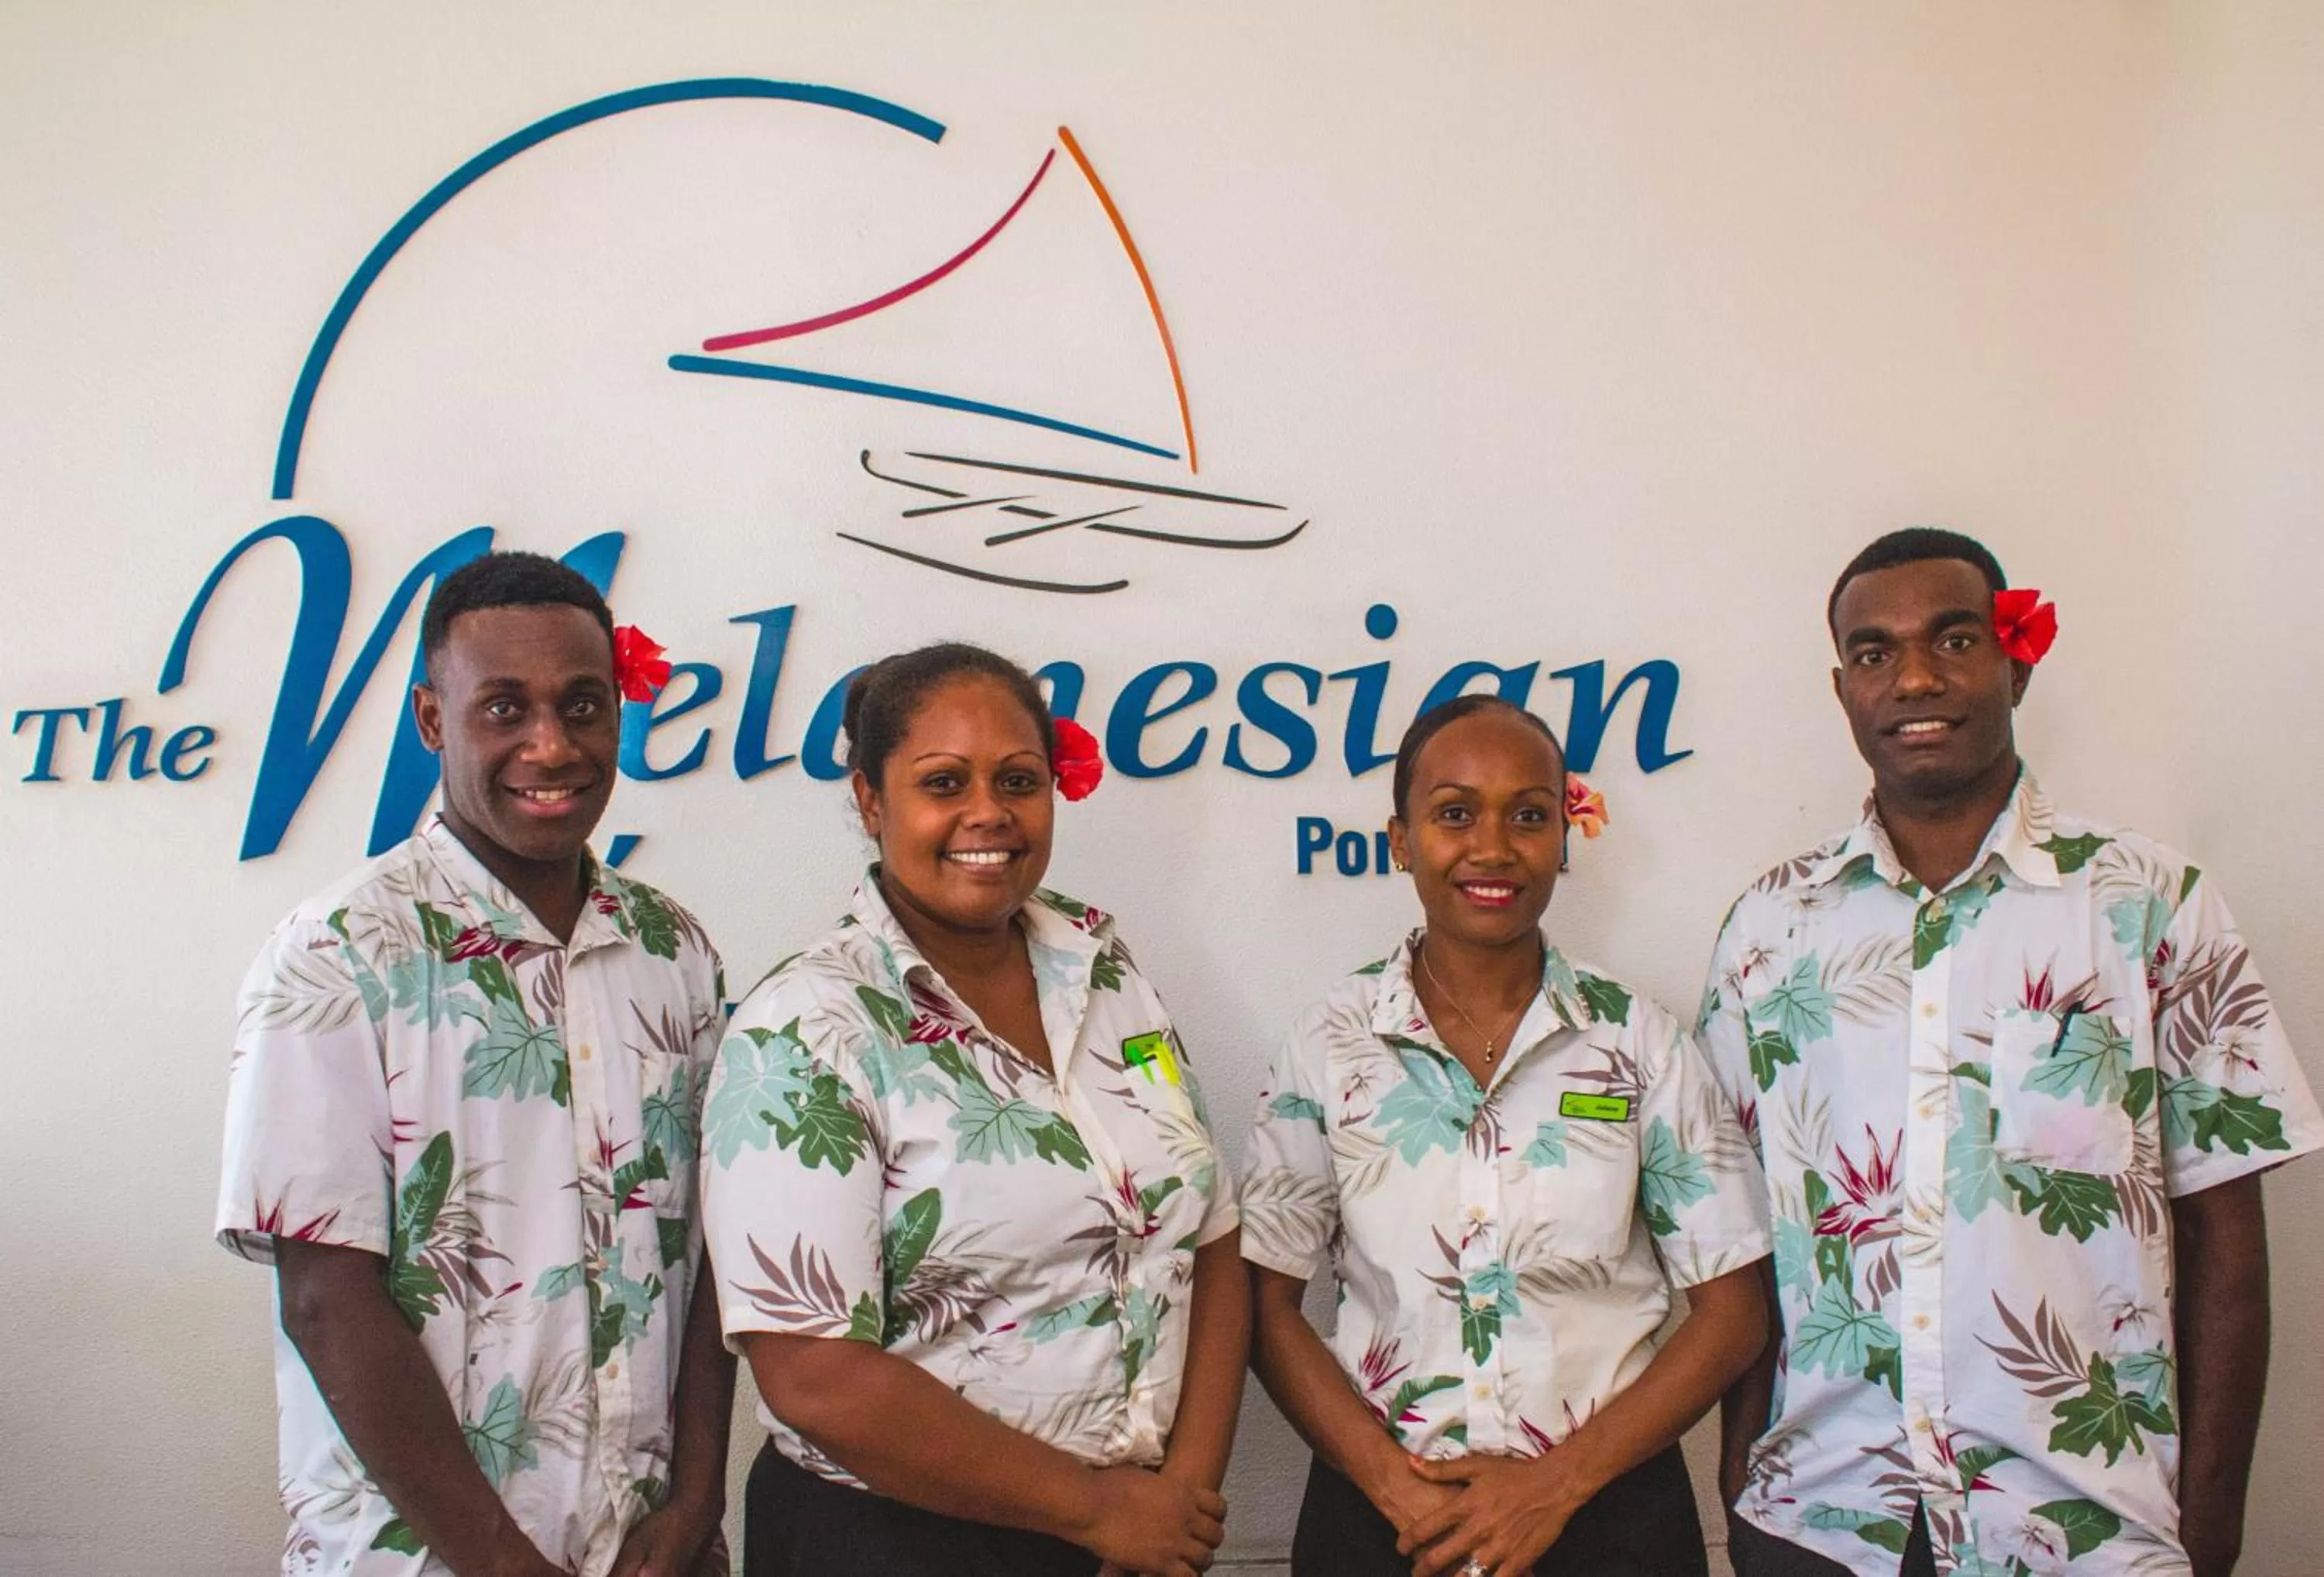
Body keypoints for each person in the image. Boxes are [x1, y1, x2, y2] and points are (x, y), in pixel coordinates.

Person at [1701, 528, 2324, 1576]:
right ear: (1843, 687)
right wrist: (1740, 1485)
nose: (1913, 677)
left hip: (2086, 1527)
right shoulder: (1770, 929)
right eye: (1873, 652)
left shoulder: (2153, 906)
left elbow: (2226, 1248)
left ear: (2017, 659)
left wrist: (2210, 1533)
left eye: (1953, 639)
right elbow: (1743, 1240)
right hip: (1823, 1521)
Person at [215, 551, 734, 1577]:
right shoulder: (337, 955)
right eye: (505, 709)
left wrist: (694, 1512)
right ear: (431, 720)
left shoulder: (675, 950)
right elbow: (326, 1298)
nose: (552, 744)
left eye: (583, 705)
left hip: (650, 1553)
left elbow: (712, 1255)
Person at [700, 641, 1247, 1577]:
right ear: (873, 801)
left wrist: (1174, 1506)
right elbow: (813, 1377)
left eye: (1018, 779)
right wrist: (1100, 1511)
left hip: (1142, 1530)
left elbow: (1211, 1233)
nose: (988, 813)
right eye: (943, 782)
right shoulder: (805, 1026)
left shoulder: (1103, 968)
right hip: (898, 1544)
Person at [1241, 693, 1772, 1577]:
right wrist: (1395, 1488)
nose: (1493, 847)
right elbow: (1264, 1306)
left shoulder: (1637, 1040)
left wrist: (1553, 1486)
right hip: (1382, 1522)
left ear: (1563, 837)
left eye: (1529, 815)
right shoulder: (1331, 1041)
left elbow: (1733, 1314)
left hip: (1610, 1518)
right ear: (1402, 838)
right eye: (1455, 813)